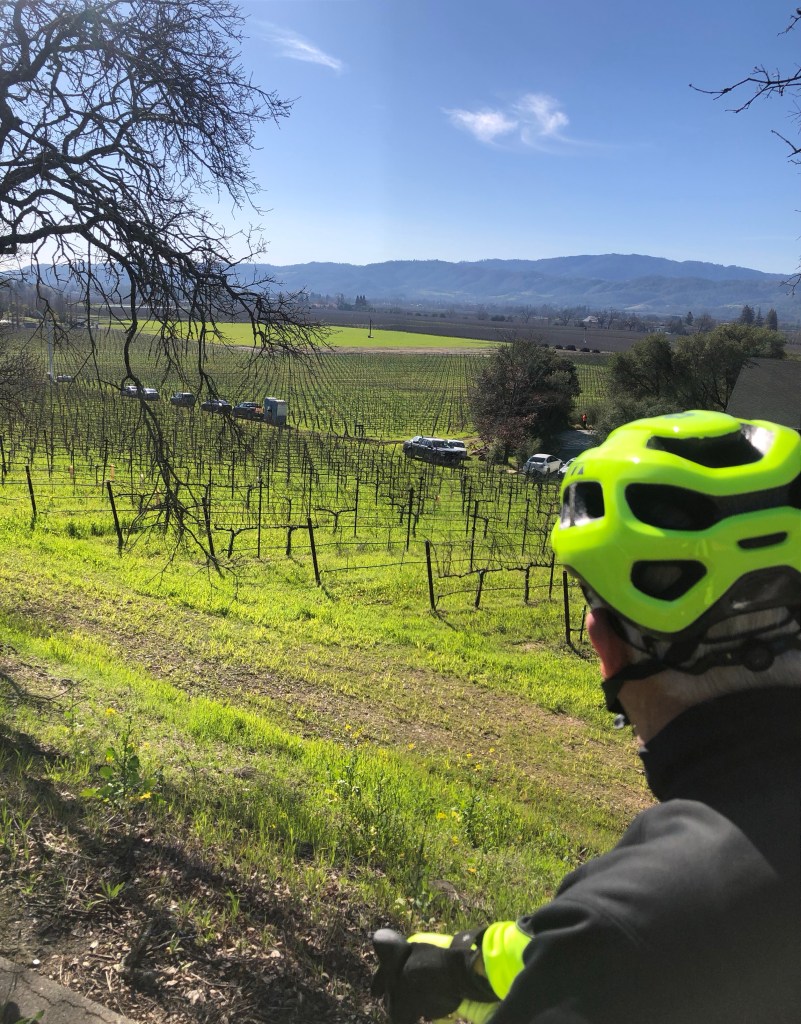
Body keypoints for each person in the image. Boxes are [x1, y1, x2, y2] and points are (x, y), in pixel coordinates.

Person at [371, 409, 801, 1024]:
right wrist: (465, 963)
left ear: (605, 646)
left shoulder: (635, 927)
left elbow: (623, 942)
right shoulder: (671, 900)